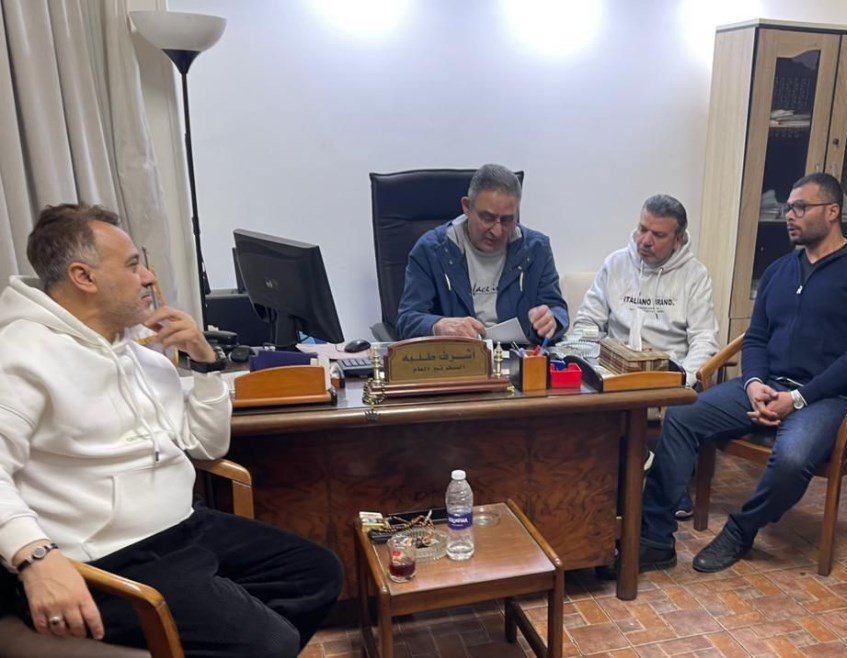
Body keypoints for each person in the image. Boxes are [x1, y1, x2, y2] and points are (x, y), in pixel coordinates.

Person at [0, 204, 343, 657]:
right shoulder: (20, 356)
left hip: (184, 527)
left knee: (317, 574)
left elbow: (207, 445)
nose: (148, 277)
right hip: (105, 557)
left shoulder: (140, 355)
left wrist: (205, 363)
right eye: (132, 265)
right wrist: (35, 558)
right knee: (269, 641)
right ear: (84, 277)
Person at [603, 173, 847, 577]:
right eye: (788, 208)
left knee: (792, 459)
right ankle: (655, 540)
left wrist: (798, 399)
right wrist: (755, 382)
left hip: (833, 399)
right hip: (768, 385)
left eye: (800, 207)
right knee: (683, 414)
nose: (789, 215)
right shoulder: (780, 270)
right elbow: (756, 337)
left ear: (833, 211)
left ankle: (741, 530)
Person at [395, 163, 568, 343]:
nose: (497, 231)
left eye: (507, 220)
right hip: (457, 354)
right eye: (487, 218)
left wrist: (552, 320)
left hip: (518, 354)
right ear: (467, 207)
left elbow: (557, 309)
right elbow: (407, 320)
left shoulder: (536, 249)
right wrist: (439, 326)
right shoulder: (431, 251)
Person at [571, 194, 719, 388]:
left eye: (658, 235)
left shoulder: (695, 275)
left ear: (678, 240)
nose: (646, 240)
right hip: (612, 373)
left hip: (668, 379)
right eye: (642, 229)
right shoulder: (615, 264)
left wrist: (683, 382)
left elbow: (704, 339)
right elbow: (588, 322)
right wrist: (594, 367)